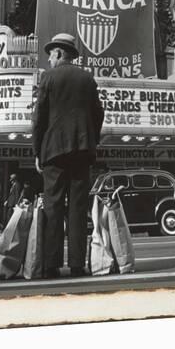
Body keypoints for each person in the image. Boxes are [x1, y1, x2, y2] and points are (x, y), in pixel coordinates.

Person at [32, 33, 104, 278]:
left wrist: (37, 151)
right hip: (82, 151)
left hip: (53, 152)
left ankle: (51, 265)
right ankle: (76, 264)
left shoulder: (48, 77)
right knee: (77, 208)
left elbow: (39, 118)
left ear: (59, 53)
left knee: (53, 208)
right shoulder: (87, 78)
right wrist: (91, 140)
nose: (49, 59)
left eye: (51, 55)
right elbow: (98, 114)